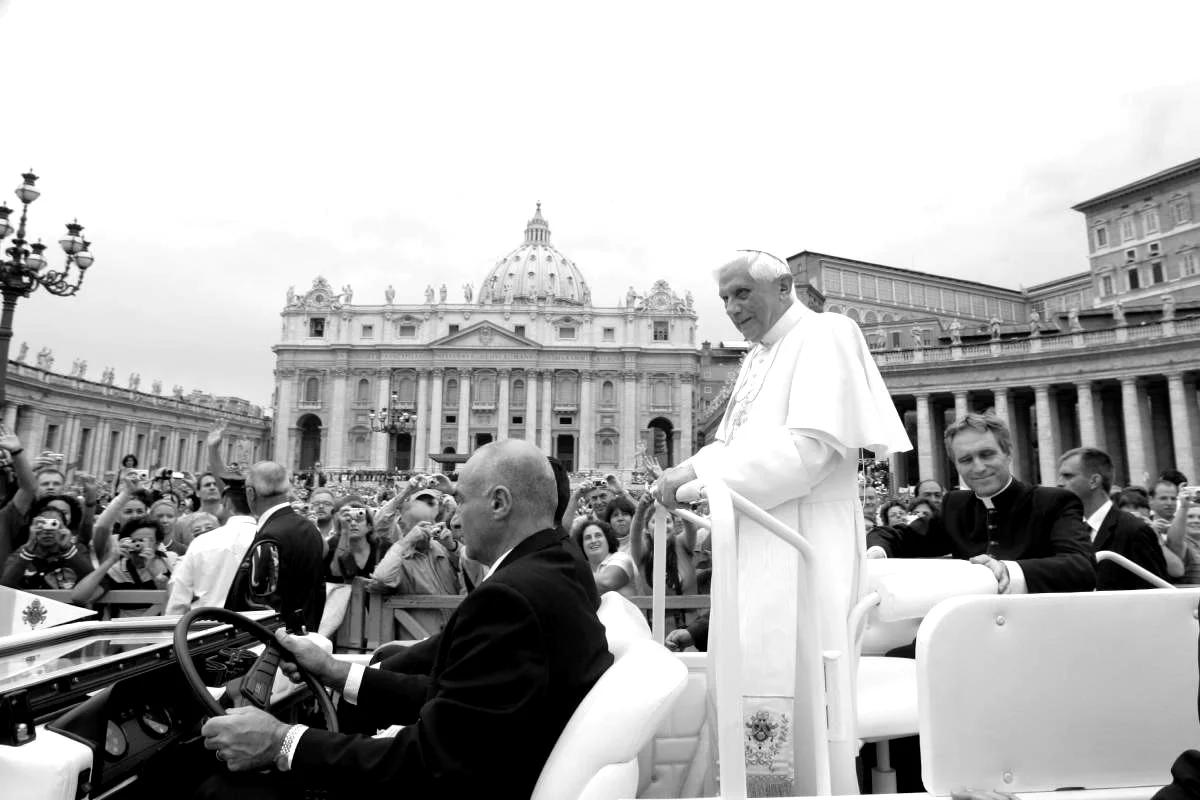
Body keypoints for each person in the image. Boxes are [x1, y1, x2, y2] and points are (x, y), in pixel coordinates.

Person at [199, 440, 613, 800]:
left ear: (499, 503)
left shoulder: (510, 597)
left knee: (222, 792)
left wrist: (280, 740)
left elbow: (430, 761)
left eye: (462, 501)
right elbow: (455, 698)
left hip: (471, 789)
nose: (454, 518)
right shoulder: (555, 567)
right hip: (505, 769)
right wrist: (335, 671)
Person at [652, 250, 910, 796]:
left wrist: (702, 481)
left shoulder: (827, 334)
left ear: (785, 285)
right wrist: (688, 468)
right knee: (746, 676)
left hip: (804, 546)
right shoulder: (756, 357)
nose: (731, 308)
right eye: (724, 298)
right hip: (755, 539)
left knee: (799, 697)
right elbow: (730, 443)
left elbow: (808, 451)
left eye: (742, 293)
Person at [868, 414, 1096, 594]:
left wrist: (1008, 570)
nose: (978, 467)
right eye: (966, 460)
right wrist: (876, 552)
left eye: (986, 454)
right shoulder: (955, 506)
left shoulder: (1054, 502)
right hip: (968, 623)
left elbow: (1080, 567)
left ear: (1008, 453)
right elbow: (899, 538)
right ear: (956, 465)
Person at [224, 461, 326, 633]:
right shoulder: (309, 527)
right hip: (306, 632)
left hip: (276, 641)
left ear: (251, 493)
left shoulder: (270, 535)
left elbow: (261, 603)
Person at [1056, 447, 1167, 590]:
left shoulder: (1133, 531)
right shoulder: (1065, 529)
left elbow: (1156, 593)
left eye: (1068, 476)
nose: (1059, 482)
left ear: (1094, 481)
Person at [165, 480, 257, 614]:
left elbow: (179, 600)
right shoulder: (270, 536)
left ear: (227, 503)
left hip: (208, 626)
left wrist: (173, 629)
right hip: (261, 625)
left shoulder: (203, 542)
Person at [572, 517, 636, 599]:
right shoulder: (583, 566)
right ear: (582, 545)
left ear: (608, 540)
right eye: (588, 538)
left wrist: (570, 575)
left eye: (598, 535)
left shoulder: (621, 557)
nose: (593, 541)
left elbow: (606, 583)